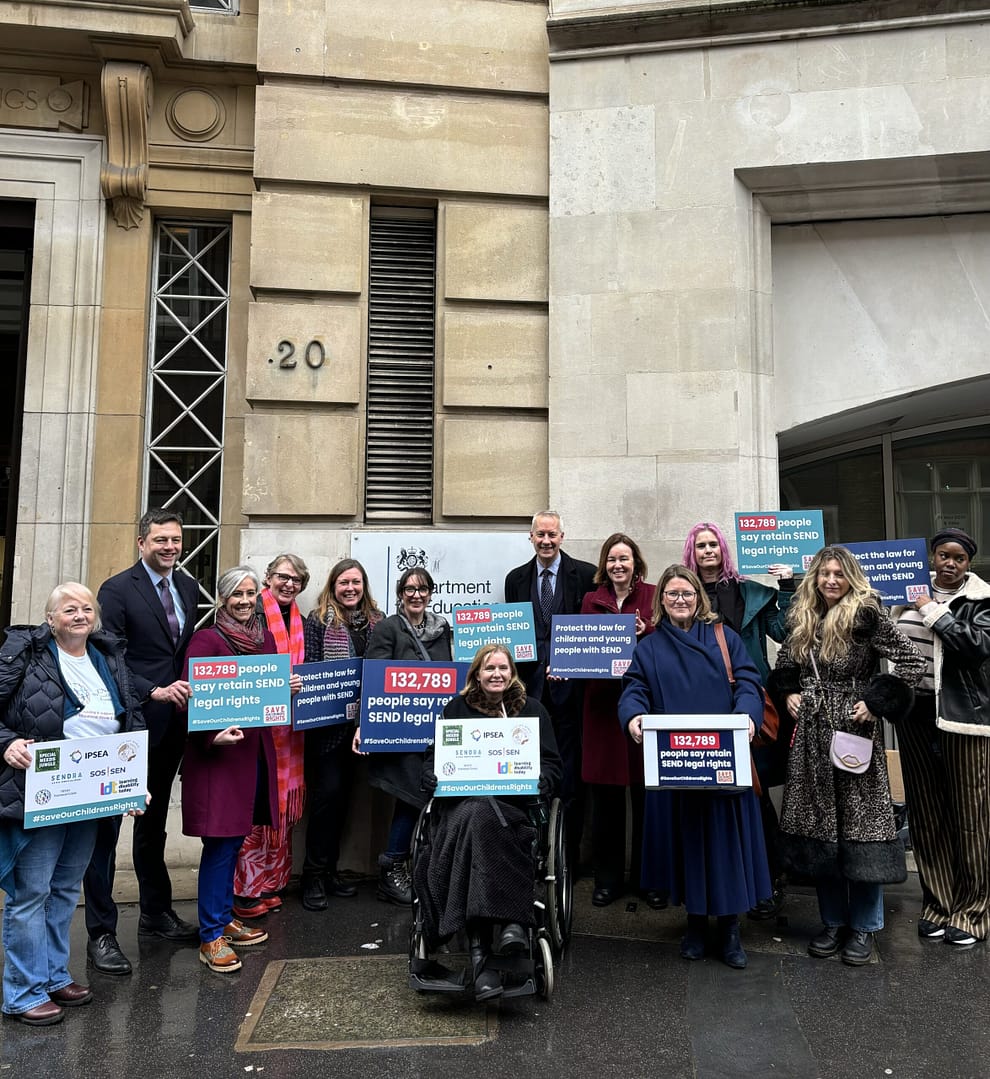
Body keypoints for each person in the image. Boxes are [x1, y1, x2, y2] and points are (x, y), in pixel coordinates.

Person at [768, 546, 923, 966]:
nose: (831, 580)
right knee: (820, 830)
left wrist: (876, 703)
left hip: (854, 731)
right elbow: (785, 661)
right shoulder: (803, 615)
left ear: (850, 576)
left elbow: (911, 660)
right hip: (813, 735)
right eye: (824, 573)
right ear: (815, 577)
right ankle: (833, 922)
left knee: (861, 830)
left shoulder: (866, 613)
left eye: (839, 573)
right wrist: (789, 694)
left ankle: (865, 927)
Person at [0, 583, 145, 1024]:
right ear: (50, 618)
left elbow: (131, 721)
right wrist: (6, 743)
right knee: (32, 893)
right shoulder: (25, 653)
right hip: (40, 792)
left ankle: (53, 974)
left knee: (65, 889)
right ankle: (23, 992)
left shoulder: (108, 658)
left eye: (86, 608)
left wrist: (134, 783)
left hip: (90, 796)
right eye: (69, 609)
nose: (80, 615)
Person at [619, 564, 771, 970]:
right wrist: (633, 716)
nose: (680, 600)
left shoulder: (725, 637)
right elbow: (634, 688)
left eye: (686, 593)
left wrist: (747, 718)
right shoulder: (648, 648)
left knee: (725, 845)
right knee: (688, 848)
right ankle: (696, 924)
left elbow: (749, 684)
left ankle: (730, 927)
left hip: (723, 759)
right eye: (672, 595)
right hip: (677, 763)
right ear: (661, 602)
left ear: (698, 598)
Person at [88, 508, 201, 974]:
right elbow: (106, 658)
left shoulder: (190, 587)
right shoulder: (116, 590)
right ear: (141, 542)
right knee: (107, 831)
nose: (169, 547)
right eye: (160, 540)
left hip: (173, 725)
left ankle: (155, 913)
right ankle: (101, 933)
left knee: (153, 823)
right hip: (128, 728)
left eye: (175, 539)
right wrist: (151, 690)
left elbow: (184, 652)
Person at [414, 644, 562, 1000]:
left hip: (513, 811)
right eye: (489, 668)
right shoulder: (456, 709)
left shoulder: (532, 711)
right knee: (477, 815)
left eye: (503, 668)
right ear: (476, 675)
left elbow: (554, 764)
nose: (497, 674)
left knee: (484, 819)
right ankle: (509, 924)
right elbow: (433, 758)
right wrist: (430, 775)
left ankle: (482, 950)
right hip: (460, 809)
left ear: (512, 673)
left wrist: (543, 778)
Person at [682, 520, 795, 919]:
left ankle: (768, 879)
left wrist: (787, 586)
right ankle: (720, 881)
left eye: (713, 545)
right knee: (714, 795)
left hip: (748, 702)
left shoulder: (750, 593)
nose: (708, 552)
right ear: (691, 552)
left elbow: (787, 633)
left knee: (755, 793)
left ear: (724, 550)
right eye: (701, 546)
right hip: (700, 707)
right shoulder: (684, 595)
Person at [181, 567, 283, 972]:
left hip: (254, 756)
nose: (245, 601)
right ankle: (210, 936)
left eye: (250, 593)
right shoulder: (205, 640)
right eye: (237, 594)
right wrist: (211, 738)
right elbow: (189, 698)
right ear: (223, 598)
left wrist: (284, 688)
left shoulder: (266, 639)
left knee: (236, 840)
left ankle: (223, 918)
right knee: (220, 846)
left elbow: (266, 695)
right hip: (219, 761)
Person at [892, 527, 990, 945]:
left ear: (969, 563)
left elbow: (975, 646)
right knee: (927, 813)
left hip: (962, 718)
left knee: (971, 816)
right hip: (912, 714)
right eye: (942, 556)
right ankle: (939, 903)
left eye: (959, 558)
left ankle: (973, 910)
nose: (949, 563)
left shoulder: (981, 601)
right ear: (931, 557)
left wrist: (931, 609)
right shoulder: (904, 591)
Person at [355, 566, 452, 905]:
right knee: (411, 797)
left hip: (436, 734)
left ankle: (427, 870)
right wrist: (363, 727)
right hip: (400, 734)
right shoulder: (388, 628)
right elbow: (375, 678)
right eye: (409, 589)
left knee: (436, 799)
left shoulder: (443, 630)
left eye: (422, 589)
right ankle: (392, 867)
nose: (416, 595)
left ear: (430, 593)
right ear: (400, 593)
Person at [504, 511, 595, 867]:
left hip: (570, 696)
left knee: (569, 780)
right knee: (527, 774)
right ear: (530, 537)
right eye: (540, 535)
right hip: (528, 694)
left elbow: (592, 635)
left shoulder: (585, 575)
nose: (546, 541)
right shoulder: (516, 579)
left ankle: (566, 859)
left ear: (562, 536)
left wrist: (571, 664)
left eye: (552, 534)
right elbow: (514, 635)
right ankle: (530, 854)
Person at [299, 558, 383, 911]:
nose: (350, 589)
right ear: (333, 586)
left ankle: (332, 870)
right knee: (326, 799)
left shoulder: (378, 622)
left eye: (356, 583)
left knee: (346, 801)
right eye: (343, 583)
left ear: (364, 586)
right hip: (329, 730)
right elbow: (314, 669)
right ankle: (313, 875)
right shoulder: (318, 622)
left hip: (363, 730)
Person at [580, 533, 656, 908]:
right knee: (607, 802)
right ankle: (607, 879)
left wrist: (649, 632)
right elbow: (578, 648)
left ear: (636, 563)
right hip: (602, 709)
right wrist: (563, 666)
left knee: (647, 797)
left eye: (624, 559)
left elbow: (673, 640)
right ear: (604, 566)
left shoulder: (653, 596)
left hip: (644, 706)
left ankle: (649, 878)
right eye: (612, 560)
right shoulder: (591, 600)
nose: (618, 565)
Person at [233, 554, 307, 919]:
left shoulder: (302, 622)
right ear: (269, 577)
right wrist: (280, 686)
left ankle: (271, 882)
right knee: (255, 810)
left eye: (296, 580)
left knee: (281, 811)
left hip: (289, 734)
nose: (288, 584)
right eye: (282, 577)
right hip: (256, 731)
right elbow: (243, 673)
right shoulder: (252, 616)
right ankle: (246, 890)